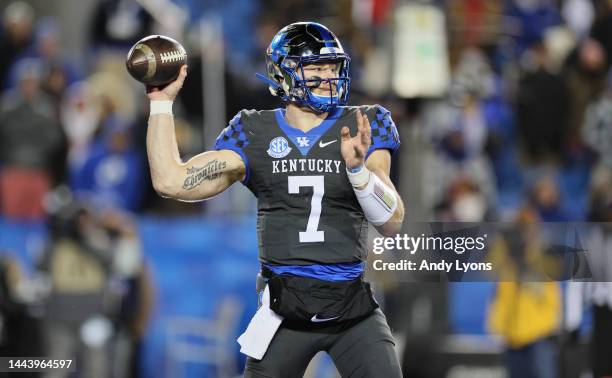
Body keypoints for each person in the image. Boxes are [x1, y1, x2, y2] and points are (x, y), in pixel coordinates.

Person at [145, 22, 404, 377]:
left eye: (332, 67)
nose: (328, 76)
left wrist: (358, 171)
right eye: (316, 68)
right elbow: (171, 182)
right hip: (286, 312)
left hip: (352, 310)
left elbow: (392, 222)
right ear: (284, 74)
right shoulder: (254, 131)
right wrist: (161, 104)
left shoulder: (363, 123)